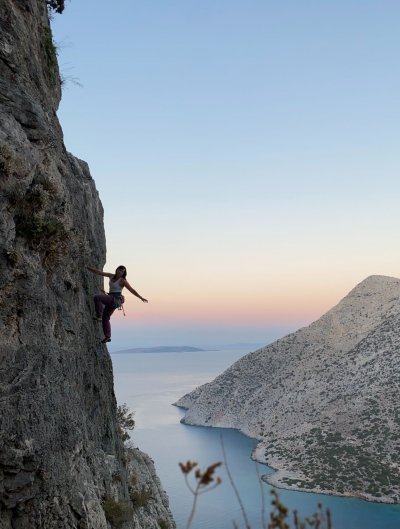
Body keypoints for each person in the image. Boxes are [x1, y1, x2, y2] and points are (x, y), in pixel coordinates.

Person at [87, 265, 148, 343]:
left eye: (123, 271)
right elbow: (100, 273)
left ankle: (99, 315)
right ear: (117, 270)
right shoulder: (111, 276)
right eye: (120, 270)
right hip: (111, 298)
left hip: (115, 300)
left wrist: (141, 298)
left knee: (97, 298)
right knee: (105, 317)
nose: (121, 272)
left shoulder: (122, 281)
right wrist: (88, 268)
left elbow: (132, 290)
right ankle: (107, 336)